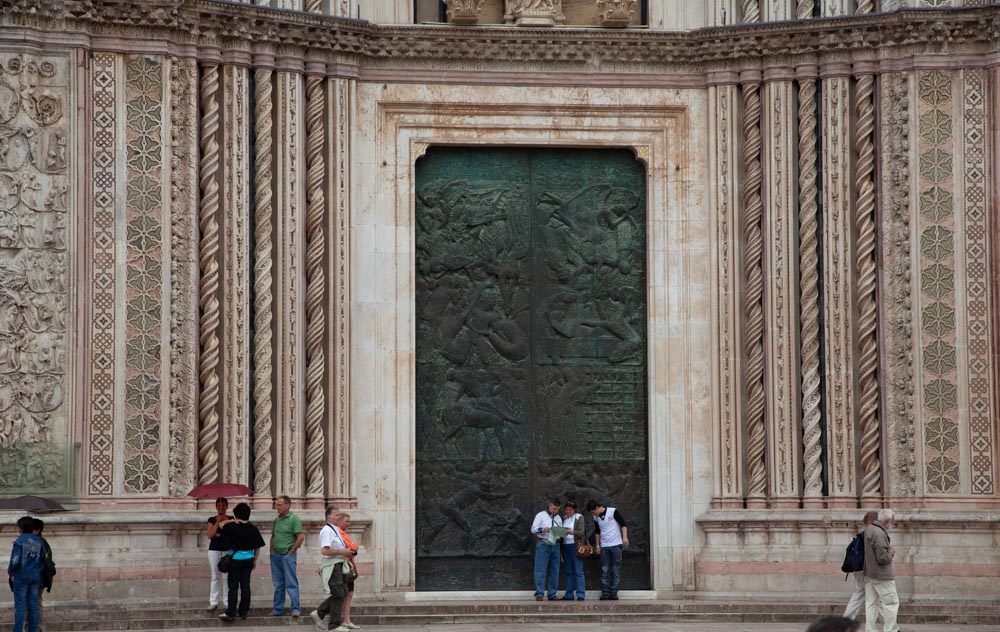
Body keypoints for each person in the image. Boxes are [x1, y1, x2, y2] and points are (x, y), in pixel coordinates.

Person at [217, 502, 265, 622]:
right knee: (245, 586)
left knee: (233, 587)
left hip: (235, 560)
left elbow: (221, 524)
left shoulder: (231, 527)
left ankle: (231, 612)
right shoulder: (253, 528)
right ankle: (243, 611)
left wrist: (232, 521)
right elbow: (257, 547)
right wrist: (254, 560)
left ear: (236, 515)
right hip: (248, 559)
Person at [310, 506, 354, 632]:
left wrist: (347, 552)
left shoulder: (335, 530)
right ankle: (334, 625)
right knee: (338, 593)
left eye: (339, 514)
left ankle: (319, 613)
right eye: (336, 514)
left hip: (339, 563)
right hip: (332, 564)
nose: (339, 516)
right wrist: (344, 551)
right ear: (329, 517)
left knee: (343, 592)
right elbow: (325, 550)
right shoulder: (327, 531)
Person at [863, 509, 899, 632]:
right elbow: (882, 558)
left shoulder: (869, 529)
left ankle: (870, 629)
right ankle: (891, 630)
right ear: (886, 521)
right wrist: (891, 552)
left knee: (871, 604)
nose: (893, 524)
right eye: (892, 521)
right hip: (881, 575)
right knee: (891, 604)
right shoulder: (879, 533)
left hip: (869, 573)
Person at [586, 499, 629, 600]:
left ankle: (613, 592)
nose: (593, 514)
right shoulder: (596, 518)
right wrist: (597, 545)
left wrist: (625, 537)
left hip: (616, 544)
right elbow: (597, 532)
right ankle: (605, 593)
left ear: (597, 508)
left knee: (615, 569)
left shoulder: (613, 512)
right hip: (604, 546)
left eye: (593, 512)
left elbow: (623, 524)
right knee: (604, 569)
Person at [270, 495, 305, 618]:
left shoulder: (293, 519)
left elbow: (300, 537)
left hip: (287, 554)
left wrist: (293, 550)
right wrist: (271, 551)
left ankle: (295, 608)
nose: (277, 507)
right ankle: (277, 608)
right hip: (276, 555)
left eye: (279, 505)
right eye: (277, 505)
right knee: (278, 583)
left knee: (291, 582)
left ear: (287, 505)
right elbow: (273, 536)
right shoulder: (277, 520)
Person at [8, 516, 43, 632]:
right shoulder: (37, 540)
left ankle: (18, 629)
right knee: (33, 605)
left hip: (22, 574)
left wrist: (11, 572)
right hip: (35, 574)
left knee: (20, 605)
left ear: (22, 527)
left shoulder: (20, 541)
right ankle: (32, 630)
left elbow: (15, 560)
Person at [843, 511, 878, 621]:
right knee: (878, 597)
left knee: (859, 596)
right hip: (868, 570)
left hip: (860, 570)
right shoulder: (871, 534)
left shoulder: (862, 535)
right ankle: (891, 626)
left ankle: (845, 622)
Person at [530, 498, 562, 601]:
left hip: (555, 545)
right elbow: (533, 529)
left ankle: (552, 593)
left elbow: (560, 532)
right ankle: (539, 593)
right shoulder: (541, 515)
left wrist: (561, 532)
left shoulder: (559, 518)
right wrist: (543, 529)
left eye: (557, 509)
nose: (555, 511)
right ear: (549, 506)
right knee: (540, 569)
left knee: (555, 570)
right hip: (544, 543)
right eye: (554, 508)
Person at [336, 512, 361, 629]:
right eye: (346, 521)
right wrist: (353, 547)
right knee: (343, 594)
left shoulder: (344, 534)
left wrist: (352, 548)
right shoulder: (338, 534)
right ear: (339, 521)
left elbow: (351, 548)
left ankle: (347, 620)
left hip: (349, 565)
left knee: (349, 594)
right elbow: (350, 547)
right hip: (343, 566)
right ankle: (332, 619)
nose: (349, 524)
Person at [205, 497, 231, 611]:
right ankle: (213, 601)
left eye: (223, 505)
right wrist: (217, 522)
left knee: (226, 576)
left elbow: (231, 534)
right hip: (214, 549)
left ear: (227, 506)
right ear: (216, 507)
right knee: (215, 576)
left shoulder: (231, 518)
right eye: (219, 506)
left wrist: (221, 533)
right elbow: (210, 535)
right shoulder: (211, 519)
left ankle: (227, 601)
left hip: (227, 549)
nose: (221, 507)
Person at [32, 519, 53, 632]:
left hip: (35, 578)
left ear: (38, 530)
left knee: (32, 604)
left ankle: (36, 628)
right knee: (37, 603)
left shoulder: (35, 542)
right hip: (40, 578)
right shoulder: (43, 541)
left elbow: (32, 561)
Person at [560, 500, 585, 601]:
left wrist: (572, 532)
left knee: (578, 570)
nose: (568, 511)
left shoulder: (579, 517)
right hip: (566, 546)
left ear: (574, 510)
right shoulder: (564, 518)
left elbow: (582, 532)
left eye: (570, 510)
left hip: (575, 545)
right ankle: (569, 594)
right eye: (566, 509)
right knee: (569, 571)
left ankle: (580, 594)